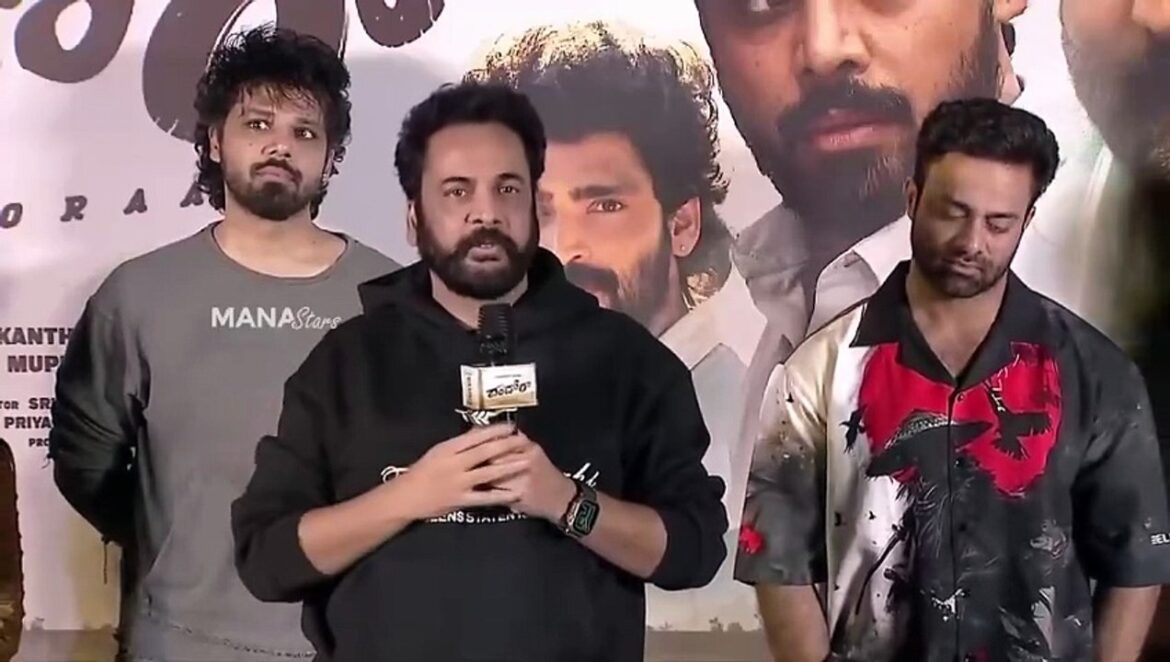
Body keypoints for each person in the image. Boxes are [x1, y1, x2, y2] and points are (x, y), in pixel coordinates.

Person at [229, 81, 727, 662]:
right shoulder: (346, 363)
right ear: (414, 217)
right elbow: (267, 560)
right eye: (457, 190)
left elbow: (693, 552)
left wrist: (567, 502)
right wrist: (408, 496)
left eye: (507, 188)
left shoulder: (627, 361)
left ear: (534, 206)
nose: (485, 212)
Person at [734, 98, 1170, 661]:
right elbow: (778, 564)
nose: (971, 242)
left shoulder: (1095, 373)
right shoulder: (819, 370)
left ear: (1027, 221)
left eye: (998, 223)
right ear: (913, 199)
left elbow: (1135, 561)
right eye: (953, 212)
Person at [48, 25, 398, 662]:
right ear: (214, 140)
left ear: (331, 158)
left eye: (305, 132)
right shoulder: (138, 295)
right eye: (257, 124)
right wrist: (178, 547)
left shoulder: (395, 300)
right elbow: (85, 466)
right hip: (178, 645)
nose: (280, 146)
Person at [464, 20, 756, 629]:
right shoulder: (500, 381)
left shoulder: (744, 417)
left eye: (604, 204)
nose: (565, 247)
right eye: (539, 209)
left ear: (682, 225)